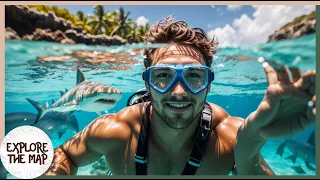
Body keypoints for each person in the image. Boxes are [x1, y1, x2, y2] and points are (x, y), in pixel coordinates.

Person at [44, 16, 316, 176]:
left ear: (208, 85)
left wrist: (251, 146)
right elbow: (65, 154)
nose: (178, 91)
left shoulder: (231, 137)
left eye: (194, 76)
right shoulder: (115, 132)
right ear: (147, 85)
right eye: (162, 76)